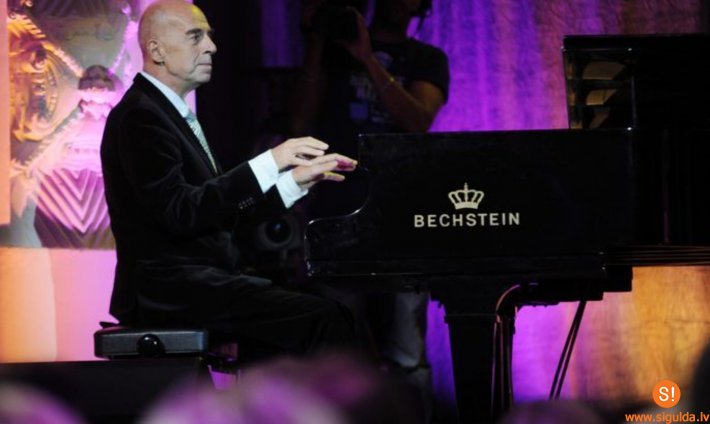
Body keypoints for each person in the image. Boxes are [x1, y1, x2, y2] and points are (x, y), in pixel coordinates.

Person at [100, 0, 358, 358]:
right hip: (168, 290)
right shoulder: (140, 116)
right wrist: (271, 160)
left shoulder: (166, 112)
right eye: (195, 36)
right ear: (157, 50)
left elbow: (218, 211)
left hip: (201, 283)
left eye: (209, 36)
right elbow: (180, 211)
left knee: (320, 309)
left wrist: (294, 181)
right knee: (326, 318)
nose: (211, 47)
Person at [290, 0, 450, 418]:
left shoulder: (426, 59)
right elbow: (299, 122)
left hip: (404, 215)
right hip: (337, 213)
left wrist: (366, 57)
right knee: (337, 354)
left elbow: (417, 122)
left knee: (407, 354)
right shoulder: (332, 54)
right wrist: (318, 42)